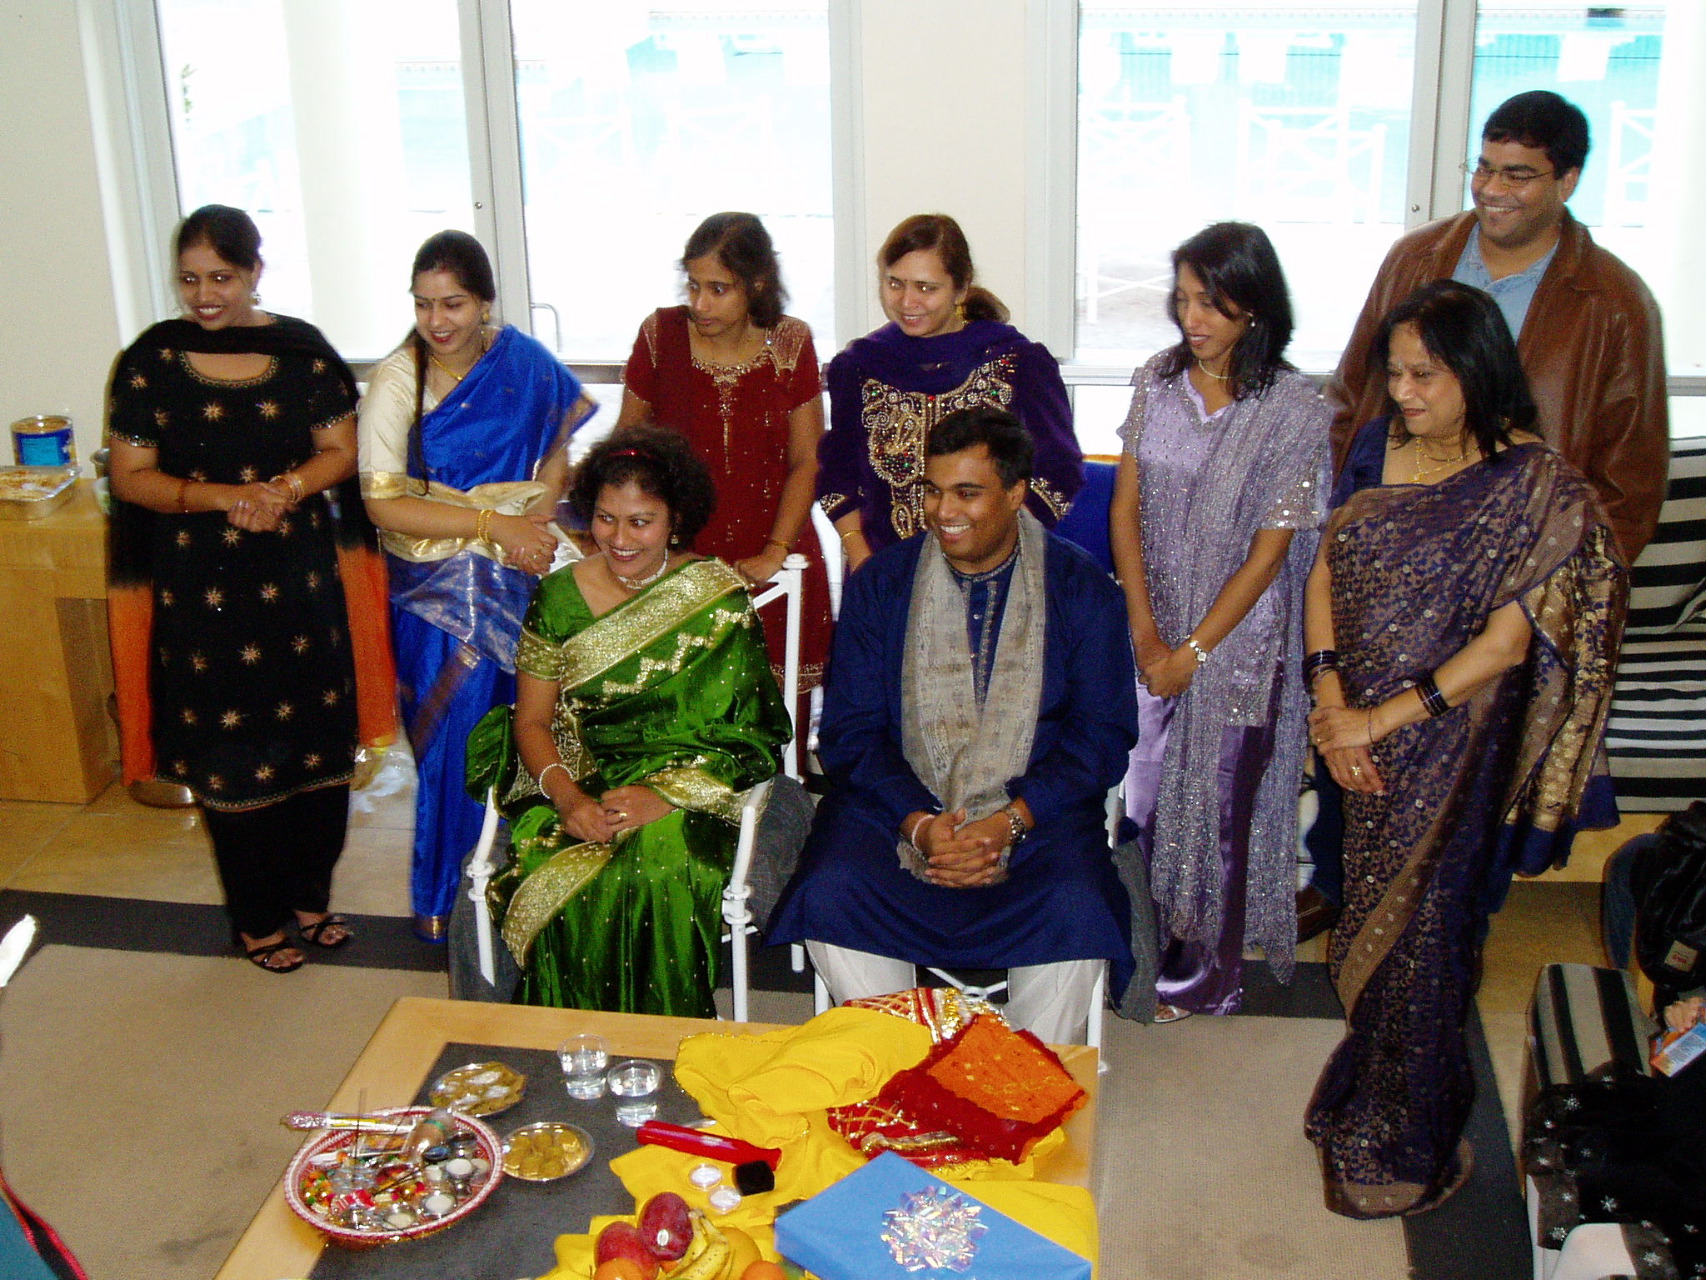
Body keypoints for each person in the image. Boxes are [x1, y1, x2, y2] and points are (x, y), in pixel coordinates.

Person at [1303, 281, 1627, 1217]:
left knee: (1430, 938)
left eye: (1424, 375)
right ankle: (1368, 1101)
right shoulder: (1379, 447)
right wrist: (1331, 699)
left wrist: (1378, 719)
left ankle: (1413, 1138)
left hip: (1452, 748)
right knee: (1371, 918)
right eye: (1393, 372)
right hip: (1357, 731)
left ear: (1476, 373)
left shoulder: (1535, 482)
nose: (1403, 393)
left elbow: (1508, 644)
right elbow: (1327, 563)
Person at [770, 407, 1136, 1044]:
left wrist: (1009, 822)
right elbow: (851, 732)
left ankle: (1024, 1071)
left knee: (1077, 902)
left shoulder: (1081, 589)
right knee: (831, 887)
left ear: (1015, 494)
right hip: (896, 805)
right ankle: (893, 1058)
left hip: (1036, 813)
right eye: (933, 491)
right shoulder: (882, 584)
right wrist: (919, 822)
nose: (944, 511)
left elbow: (1101, 738)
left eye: (968, 492)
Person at [106, 204, 395, 972]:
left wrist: (283, 488)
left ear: (255, 271)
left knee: (316, 747)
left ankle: (310, 897)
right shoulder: (151, 362)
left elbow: (342, 447)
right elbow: (130, 476)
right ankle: (257, 918)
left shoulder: (301, 354)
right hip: (201, 596)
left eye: (222, 278)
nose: (205, 295)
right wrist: (222, 499)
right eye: (190, 280)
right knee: (231, 755)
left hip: (299, 584)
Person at [470, 428, 792, 1015]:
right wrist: (568, 801)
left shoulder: (716, 597)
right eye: (604, 518)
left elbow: (750, 734)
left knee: (663, 863)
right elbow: (534, 723)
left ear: (675, 522)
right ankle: (564, 1045)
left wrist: (664, 797)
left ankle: (662, 1045)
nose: (619, 539)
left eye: (640, 522)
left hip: (693, 787)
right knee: (553, 865)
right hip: (578, 773)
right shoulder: (559, 595)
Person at [1107, 223, 1328, 1022]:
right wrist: (1144, 632)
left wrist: (1194, 652)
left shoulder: (1296, 408)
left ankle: (1201, 980)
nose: (1192, 318)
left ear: (1256, 310)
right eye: (1185, 298)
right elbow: (1125, 511)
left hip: (1241, 646)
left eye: (1214, 303)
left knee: (1223, 813)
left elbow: (1273, 551)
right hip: (1150, 628)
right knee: (1143, 805)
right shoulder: (1155, 383)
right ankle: (1139, 955)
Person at [358, 230, 594, 940]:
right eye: (424, 304)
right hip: (437, 590)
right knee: (456, 742)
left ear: (485, 302)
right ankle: (448, 902)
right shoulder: (398, 380)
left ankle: (528, 884)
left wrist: (541, 513)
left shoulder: (520, 362)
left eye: (453, 303)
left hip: (522, 569)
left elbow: (558, 449)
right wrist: (495, 527)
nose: (437, 321)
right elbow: (382, 503)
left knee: (533, 725)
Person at [1329, 90, 1668, 565]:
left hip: (1522, 570)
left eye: (1518, 175)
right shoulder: (1414, 260)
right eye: (1484, 167)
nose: (1491, 189)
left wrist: (1559, 588)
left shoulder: (1615, 303)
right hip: (1389, 555)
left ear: (1567, 181)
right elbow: (1351, 398)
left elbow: (1630, 483)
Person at [614, 211, 832, 715]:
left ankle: (780, 798)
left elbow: (806, 461)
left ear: (756, 284)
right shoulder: (660, 338)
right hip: (681, 561)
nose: (700, 303)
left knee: (777, 720)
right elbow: (626, 453)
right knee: (685, 718)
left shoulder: (791, 343)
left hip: (779, 555)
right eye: (693, 286)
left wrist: (776, 550)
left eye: (718, 289)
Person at [817, 214, 1084, 573]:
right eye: (895, 283)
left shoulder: (1016, 362)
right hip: (885, 574)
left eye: (926, 288)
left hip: (998, 576)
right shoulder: (860, 367)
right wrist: (862, 561)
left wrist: (996, 553)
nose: (907, 301)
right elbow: (838, 476)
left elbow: (1058, 470)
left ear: (960, 289)